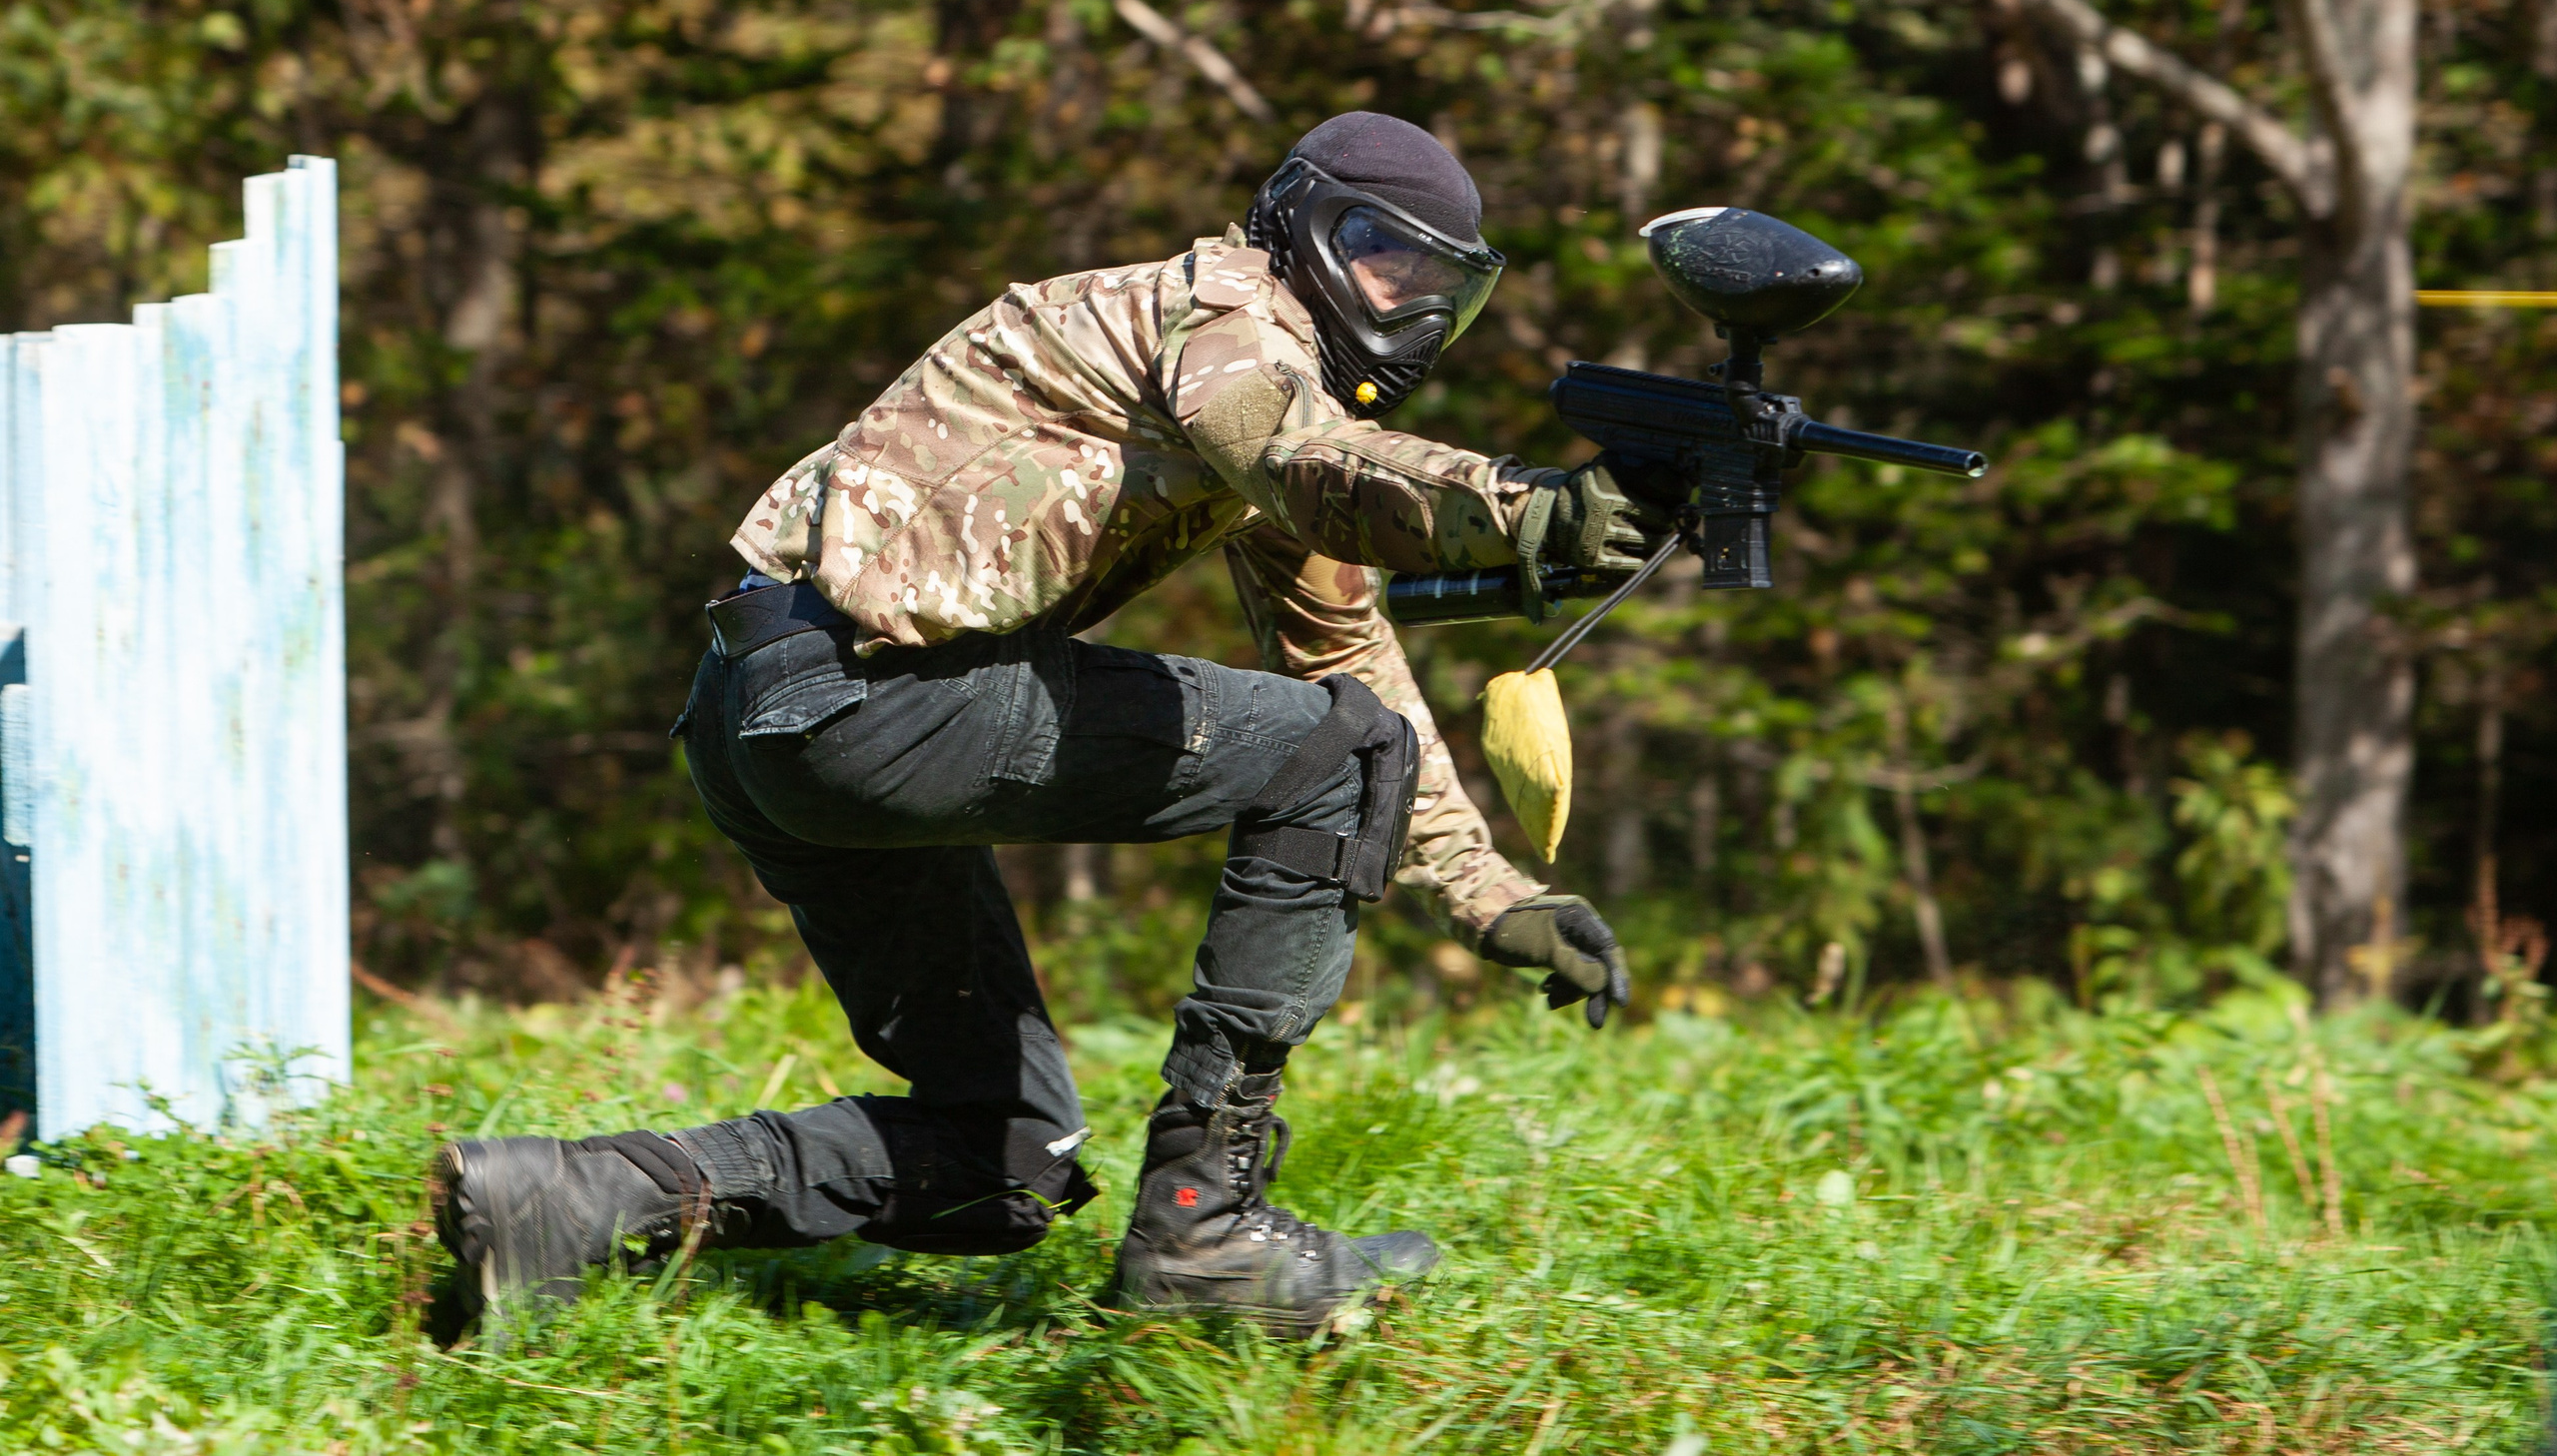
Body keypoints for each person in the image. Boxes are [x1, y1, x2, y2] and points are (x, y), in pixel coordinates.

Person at [428, 112, 1666, 1335]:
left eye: (1438, 287)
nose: (1405, 308)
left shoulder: (1274, 399)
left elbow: (1347, 653)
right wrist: (1527, 512)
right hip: (870, 703)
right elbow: (1300, 466)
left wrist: (1487, 894)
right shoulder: (1223, 322)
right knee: (1328, 752)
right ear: (1298, 221)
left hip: (771, 715)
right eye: (1378, 256)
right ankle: (1208, 1226)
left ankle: (572, 1200)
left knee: (1007, 1154)